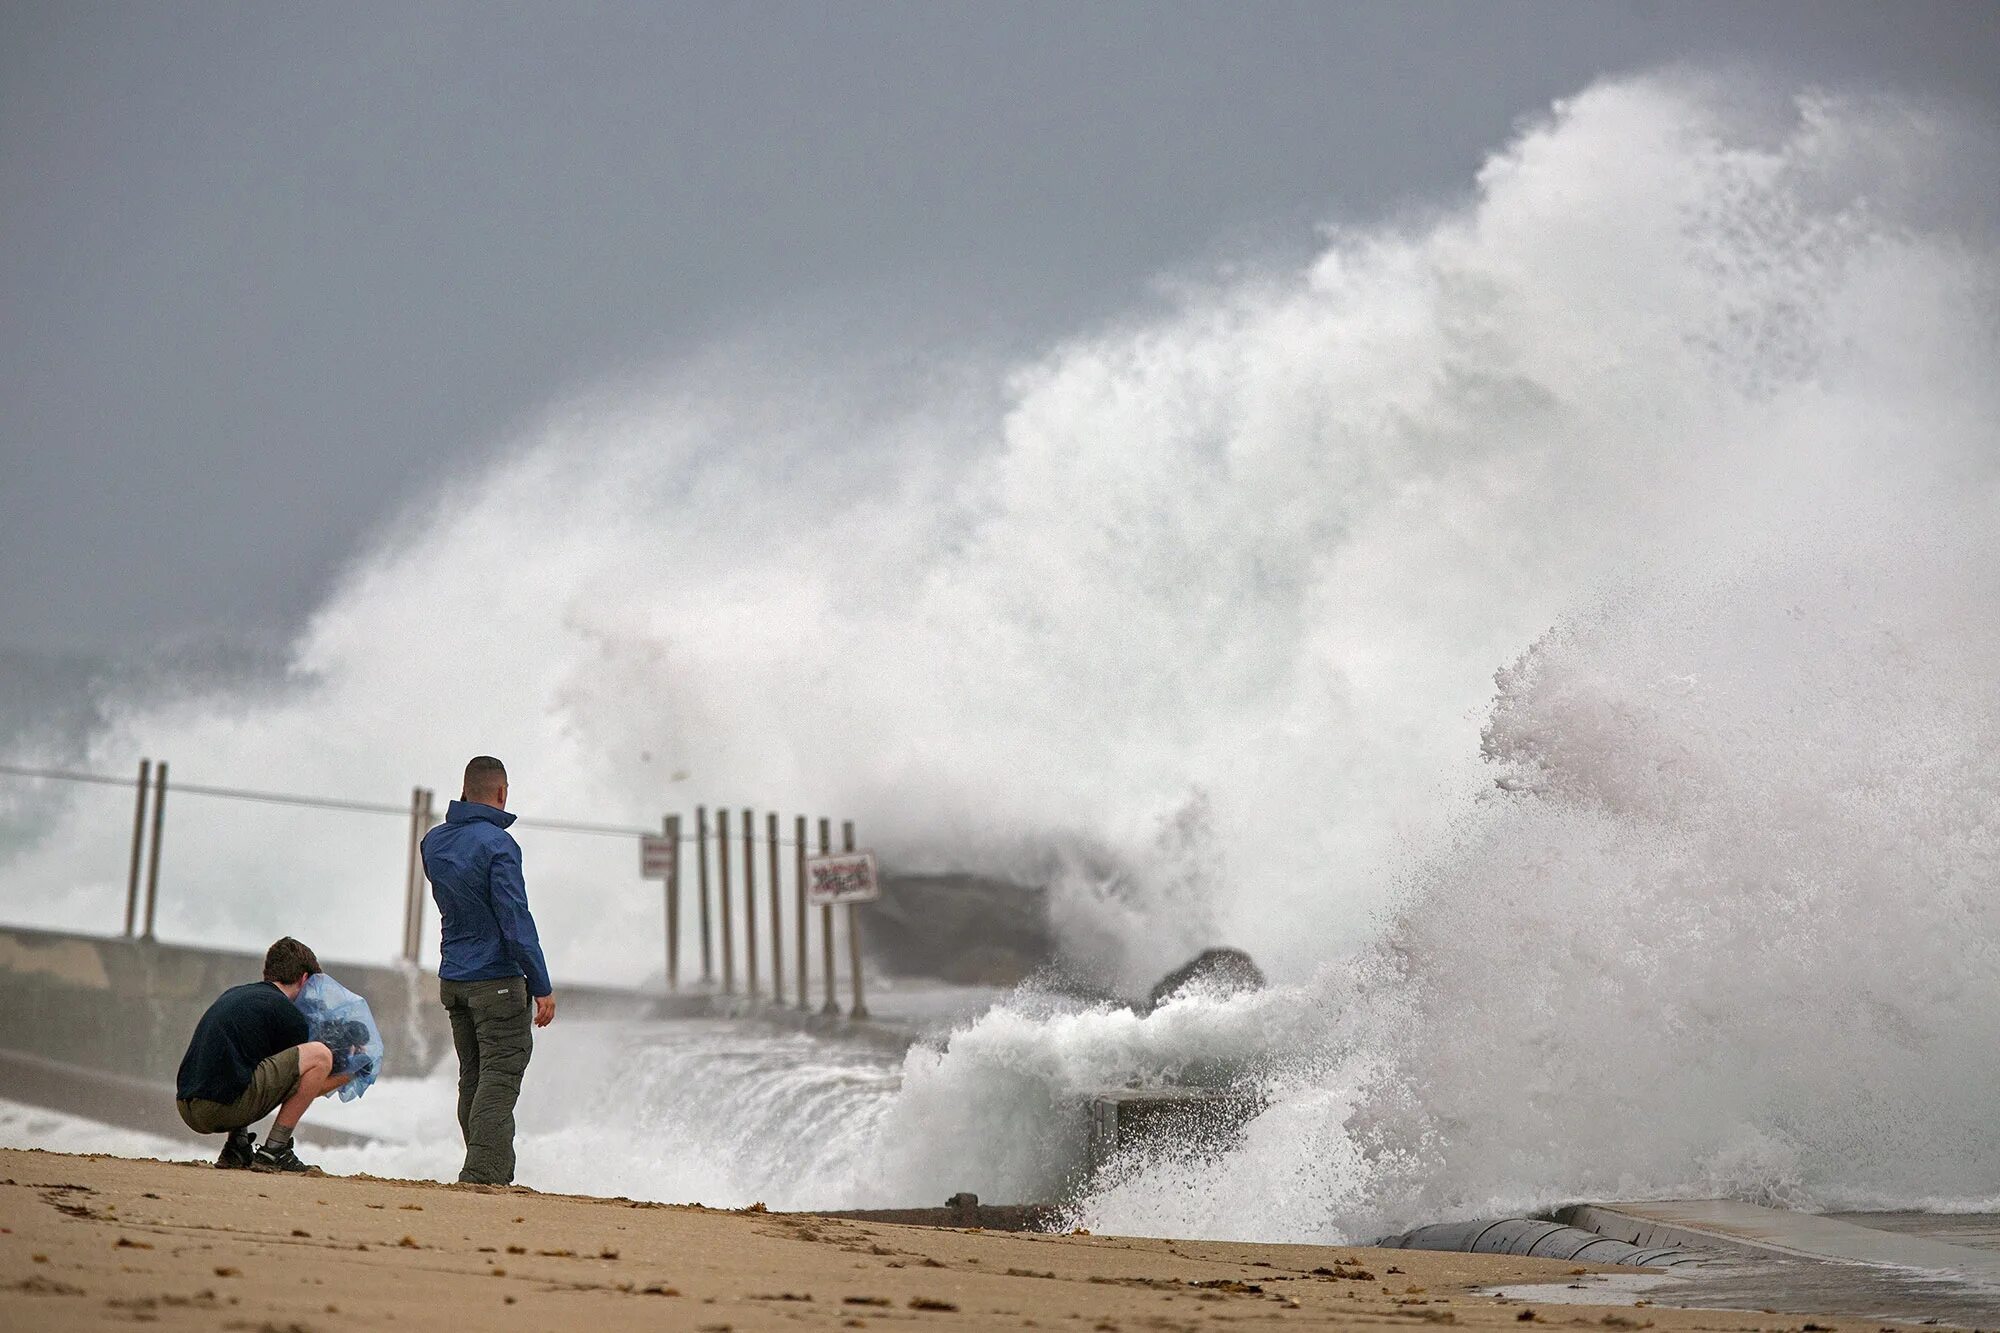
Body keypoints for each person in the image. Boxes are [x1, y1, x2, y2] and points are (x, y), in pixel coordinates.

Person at [420, 754, 556, 1185]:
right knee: (500, 1074)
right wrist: (541, 984)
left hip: (454, 979)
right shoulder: (499, 845)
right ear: (502, 793)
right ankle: (483, 1172)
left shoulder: (434, 843)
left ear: (464, 791)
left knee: (474, 1078)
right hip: (496, 980)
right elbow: (515, 921)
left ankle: (492, 1170)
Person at [175, 936, 351, 1173]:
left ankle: (236, 1147)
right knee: (319, 1056)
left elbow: (254, 1071)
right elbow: (297, 1086)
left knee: (246, 1060)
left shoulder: (237, 995)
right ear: (304, 980)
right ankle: (275, 1151)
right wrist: (350, 1072)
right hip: (216, 1109)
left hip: (187, 1106)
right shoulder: (286, 1012)